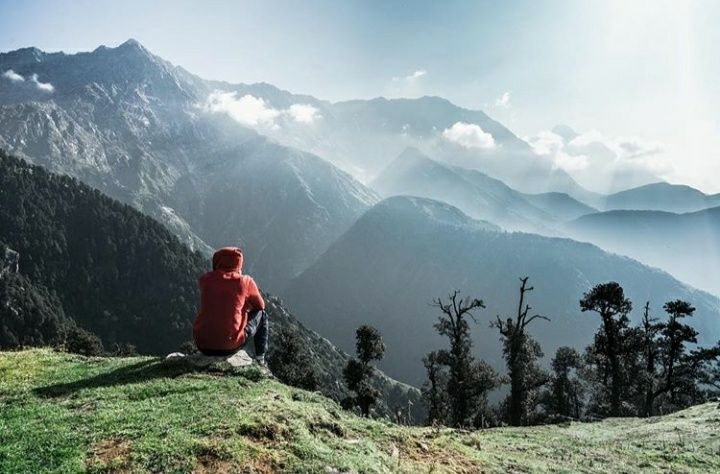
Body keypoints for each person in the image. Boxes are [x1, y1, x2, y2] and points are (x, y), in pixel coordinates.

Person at [192, 247, 268, 364]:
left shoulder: (205, 279)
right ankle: (260, 359)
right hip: (229, 344)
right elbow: (260, 306)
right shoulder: (244, 281)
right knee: (262, 315)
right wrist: (245, 306)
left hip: (202, 343)